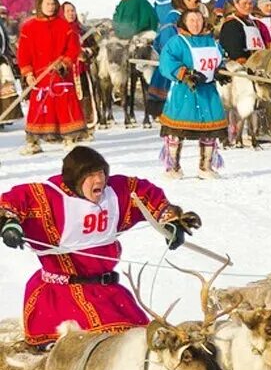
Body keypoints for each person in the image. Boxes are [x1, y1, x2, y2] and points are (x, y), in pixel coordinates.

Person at [0, 146, 200, 346]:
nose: (99, 180)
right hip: (61, 298)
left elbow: (145, 194)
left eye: (101, 173)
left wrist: (169, 221)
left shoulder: (115, 193)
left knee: (136, 345)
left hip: (108, 293)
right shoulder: (49, 197)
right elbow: (15, 201)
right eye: (89, 175)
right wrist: (9, 223)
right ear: (74, 180)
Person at [158, 7, 229, 179]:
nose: (196, 24)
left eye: (198, 20)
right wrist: (184, 74)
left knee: (210, 130)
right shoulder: (177, 42)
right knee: (176, 131)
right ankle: (173, 167)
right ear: (184, 22)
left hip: (208, 92)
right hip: (185, 92)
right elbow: (167, 62)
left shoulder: (211, 41)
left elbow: (220, 57)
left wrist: (221, 70)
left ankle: (206, 167)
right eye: (192, 20)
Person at [16, 0, 87, 154]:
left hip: (61, 74)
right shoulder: (29, 27)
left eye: (53, 4)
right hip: (40, 75)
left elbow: (73, 48)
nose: (51, 7)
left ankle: (70, 138)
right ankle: (33, 142)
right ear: (39, 5)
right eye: (47, 4)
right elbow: (24, 53)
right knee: (38, 108)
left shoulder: (65, 26)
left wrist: (64, 63)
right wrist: (28, 73)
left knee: (66, 106)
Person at [219, 0, 266, 65]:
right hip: (242, 65)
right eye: (244, 3)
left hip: (258, 61)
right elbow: (234, 48)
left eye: (250, 3)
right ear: (236, 4)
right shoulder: (231, 24)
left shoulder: (253, 22)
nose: (248, 6)